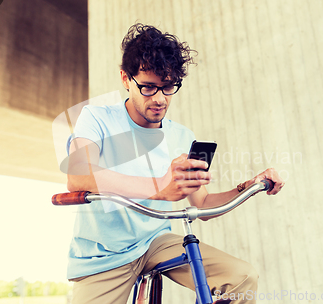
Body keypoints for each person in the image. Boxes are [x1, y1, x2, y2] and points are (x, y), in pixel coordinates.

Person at [65, 23, 284, 304]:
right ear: (125, 78)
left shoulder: (182, 136)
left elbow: (202, 206)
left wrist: (248, 187)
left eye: (168, 87)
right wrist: (159, 187)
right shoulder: (96, 118)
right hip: (104, 253)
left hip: (156, 241)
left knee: (242, 278)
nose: (159, 99)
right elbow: (77, 177)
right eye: (147, 87)